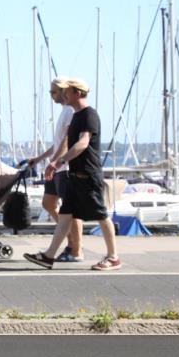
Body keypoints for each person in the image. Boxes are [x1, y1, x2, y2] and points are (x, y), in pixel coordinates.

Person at [24, 79, 120, 271]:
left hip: (88, 175)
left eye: (66, 92)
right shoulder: (76, 116)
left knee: (101, 215)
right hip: (75, 177)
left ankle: (113, 257)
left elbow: (83, 143)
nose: (63, 95)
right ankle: (48, 256)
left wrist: (59, 161)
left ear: (77, 93)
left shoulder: (89, 115)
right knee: (65, 216)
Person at [27, 77, 83, 262]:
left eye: (53, 92)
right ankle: (70, 241)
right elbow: (57, 143)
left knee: (71, 210)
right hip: (57, 167)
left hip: (64, 168)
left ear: (63, 91)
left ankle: (76, 250)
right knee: (48, 203)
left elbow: (66, 143)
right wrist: (40, 159)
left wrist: (56, 162)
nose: (51, 96)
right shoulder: (64, 112)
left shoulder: (70, 112)